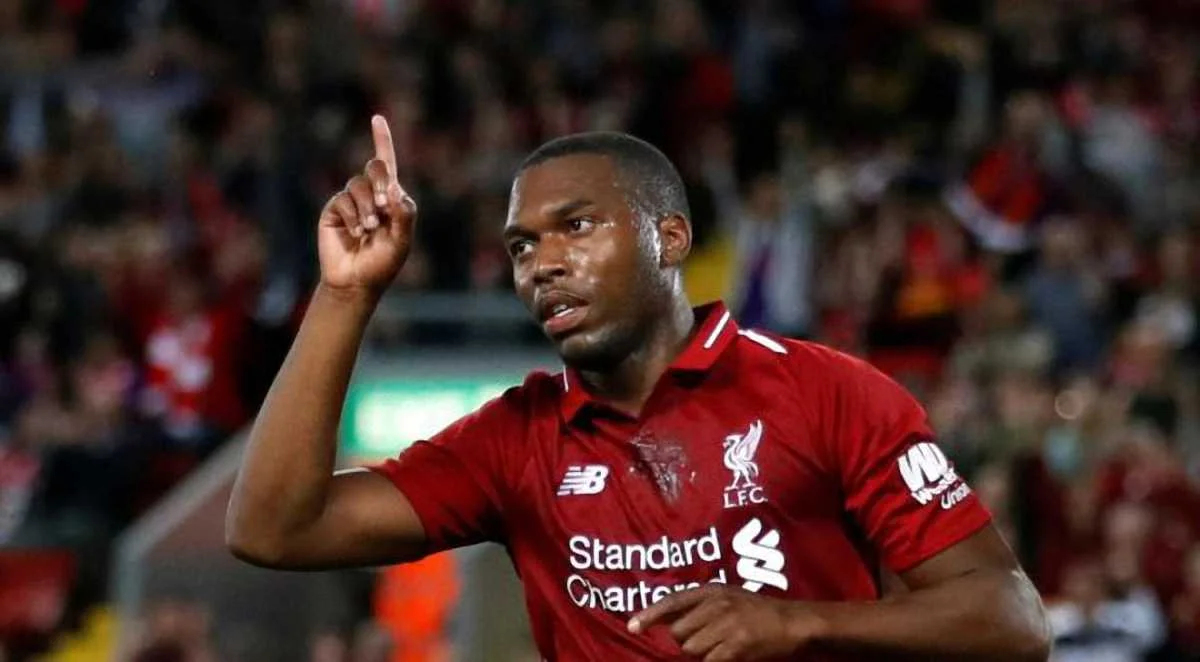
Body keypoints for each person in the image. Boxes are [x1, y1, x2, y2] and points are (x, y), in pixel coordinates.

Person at [226, 115, 1051, 661]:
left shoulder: (827, 394)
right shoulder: (514, 441)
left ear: (671, 238)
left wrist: (798, 621)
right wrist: (345, 295)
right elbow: (271, 530)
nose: (543, 264)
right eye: (521, 247)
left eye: (576, 226)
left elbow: (1011, 620)